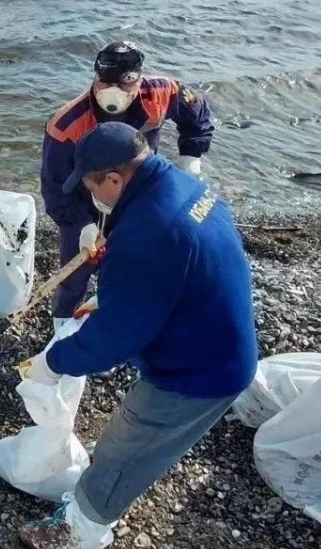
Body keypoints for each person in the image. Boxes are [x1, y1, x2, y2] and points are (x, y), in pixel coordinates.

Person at [17, 122, 257, 549]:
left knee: (126, 448)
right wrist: (113, 294)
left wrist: (53, 363)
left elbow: (115, 338)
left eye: (92, 186)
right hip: (215, 334)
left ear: (114, 179)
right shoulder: (183, 185)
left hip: (197, 371)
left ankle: (80, 533)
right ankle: (118, 468)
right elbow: (174, 270)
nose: (91, 197)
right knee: (135, 439)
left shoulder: (149, 234)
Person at [41, 41, 214, 333]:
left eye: (124, 83)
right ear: (95, 77)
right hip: (87, 202)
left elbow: (197, 112)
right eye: (105, 82)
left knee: (140, 258)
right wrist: (81, 224)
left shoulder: (162, 93)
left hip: (139, 194)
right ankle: (63, 325)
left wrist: (191, 158)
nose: (114, 91)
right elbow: (54, 187)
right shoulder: (66, 124)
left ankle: (128, 315)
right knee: (75, 268)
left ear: (139, 79)